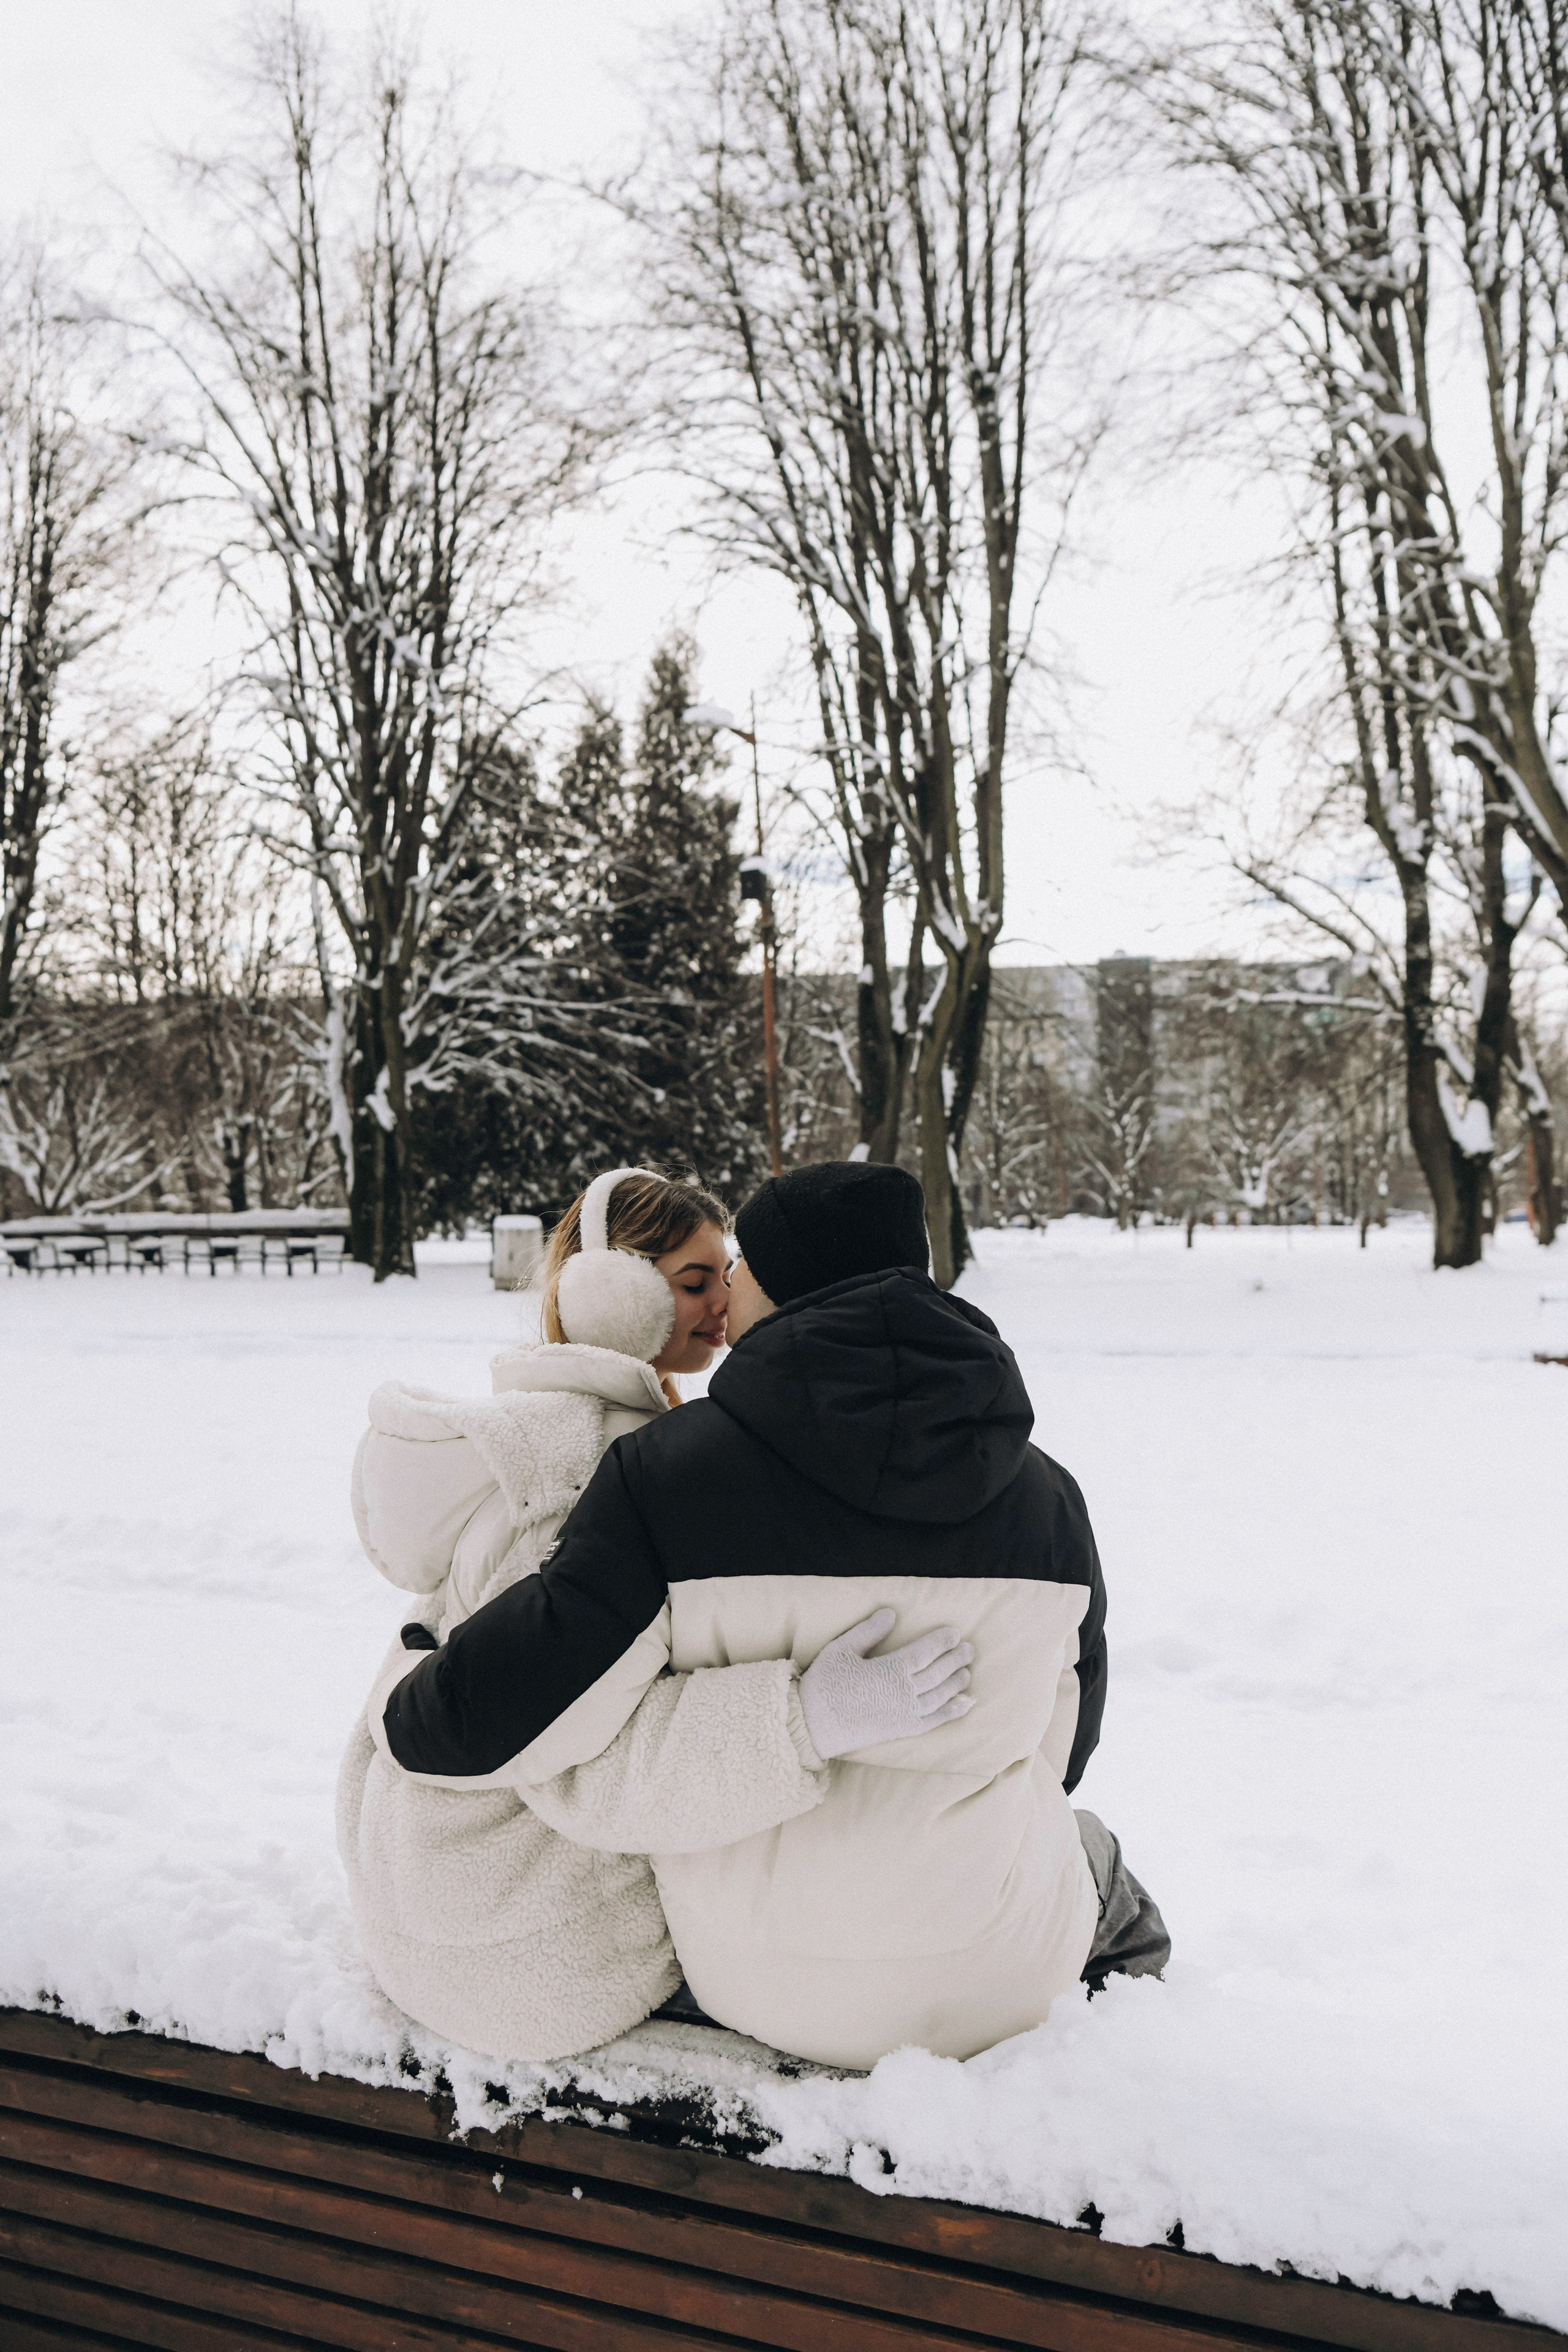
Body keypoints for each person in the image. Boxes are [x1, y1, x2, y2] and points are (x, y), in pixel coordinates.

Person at [379, 1159, 1167, 2071]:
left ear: (781, 1280)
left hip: (749, 1983)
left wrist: (416, 1682)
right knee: (1101, 1867)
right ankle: (1128, 2058)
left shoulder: (664, 1474)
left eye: (742, 1267)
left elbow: (484, 1715)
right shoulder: (1052, 1500)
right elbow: (1067, 1745)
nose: (728, 1296)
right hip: (1001, 1981)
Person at [336, 1165, 968, 2062]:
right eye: (693, 1281)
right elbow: (568, 1756)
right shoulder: (591, 1466)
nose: (724, 1302)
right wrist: (804, 1717)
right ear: (613, 1296)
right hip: (532, 1954)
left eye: (728, 1273)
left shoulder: (546, 1433)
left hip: (431, 1921)